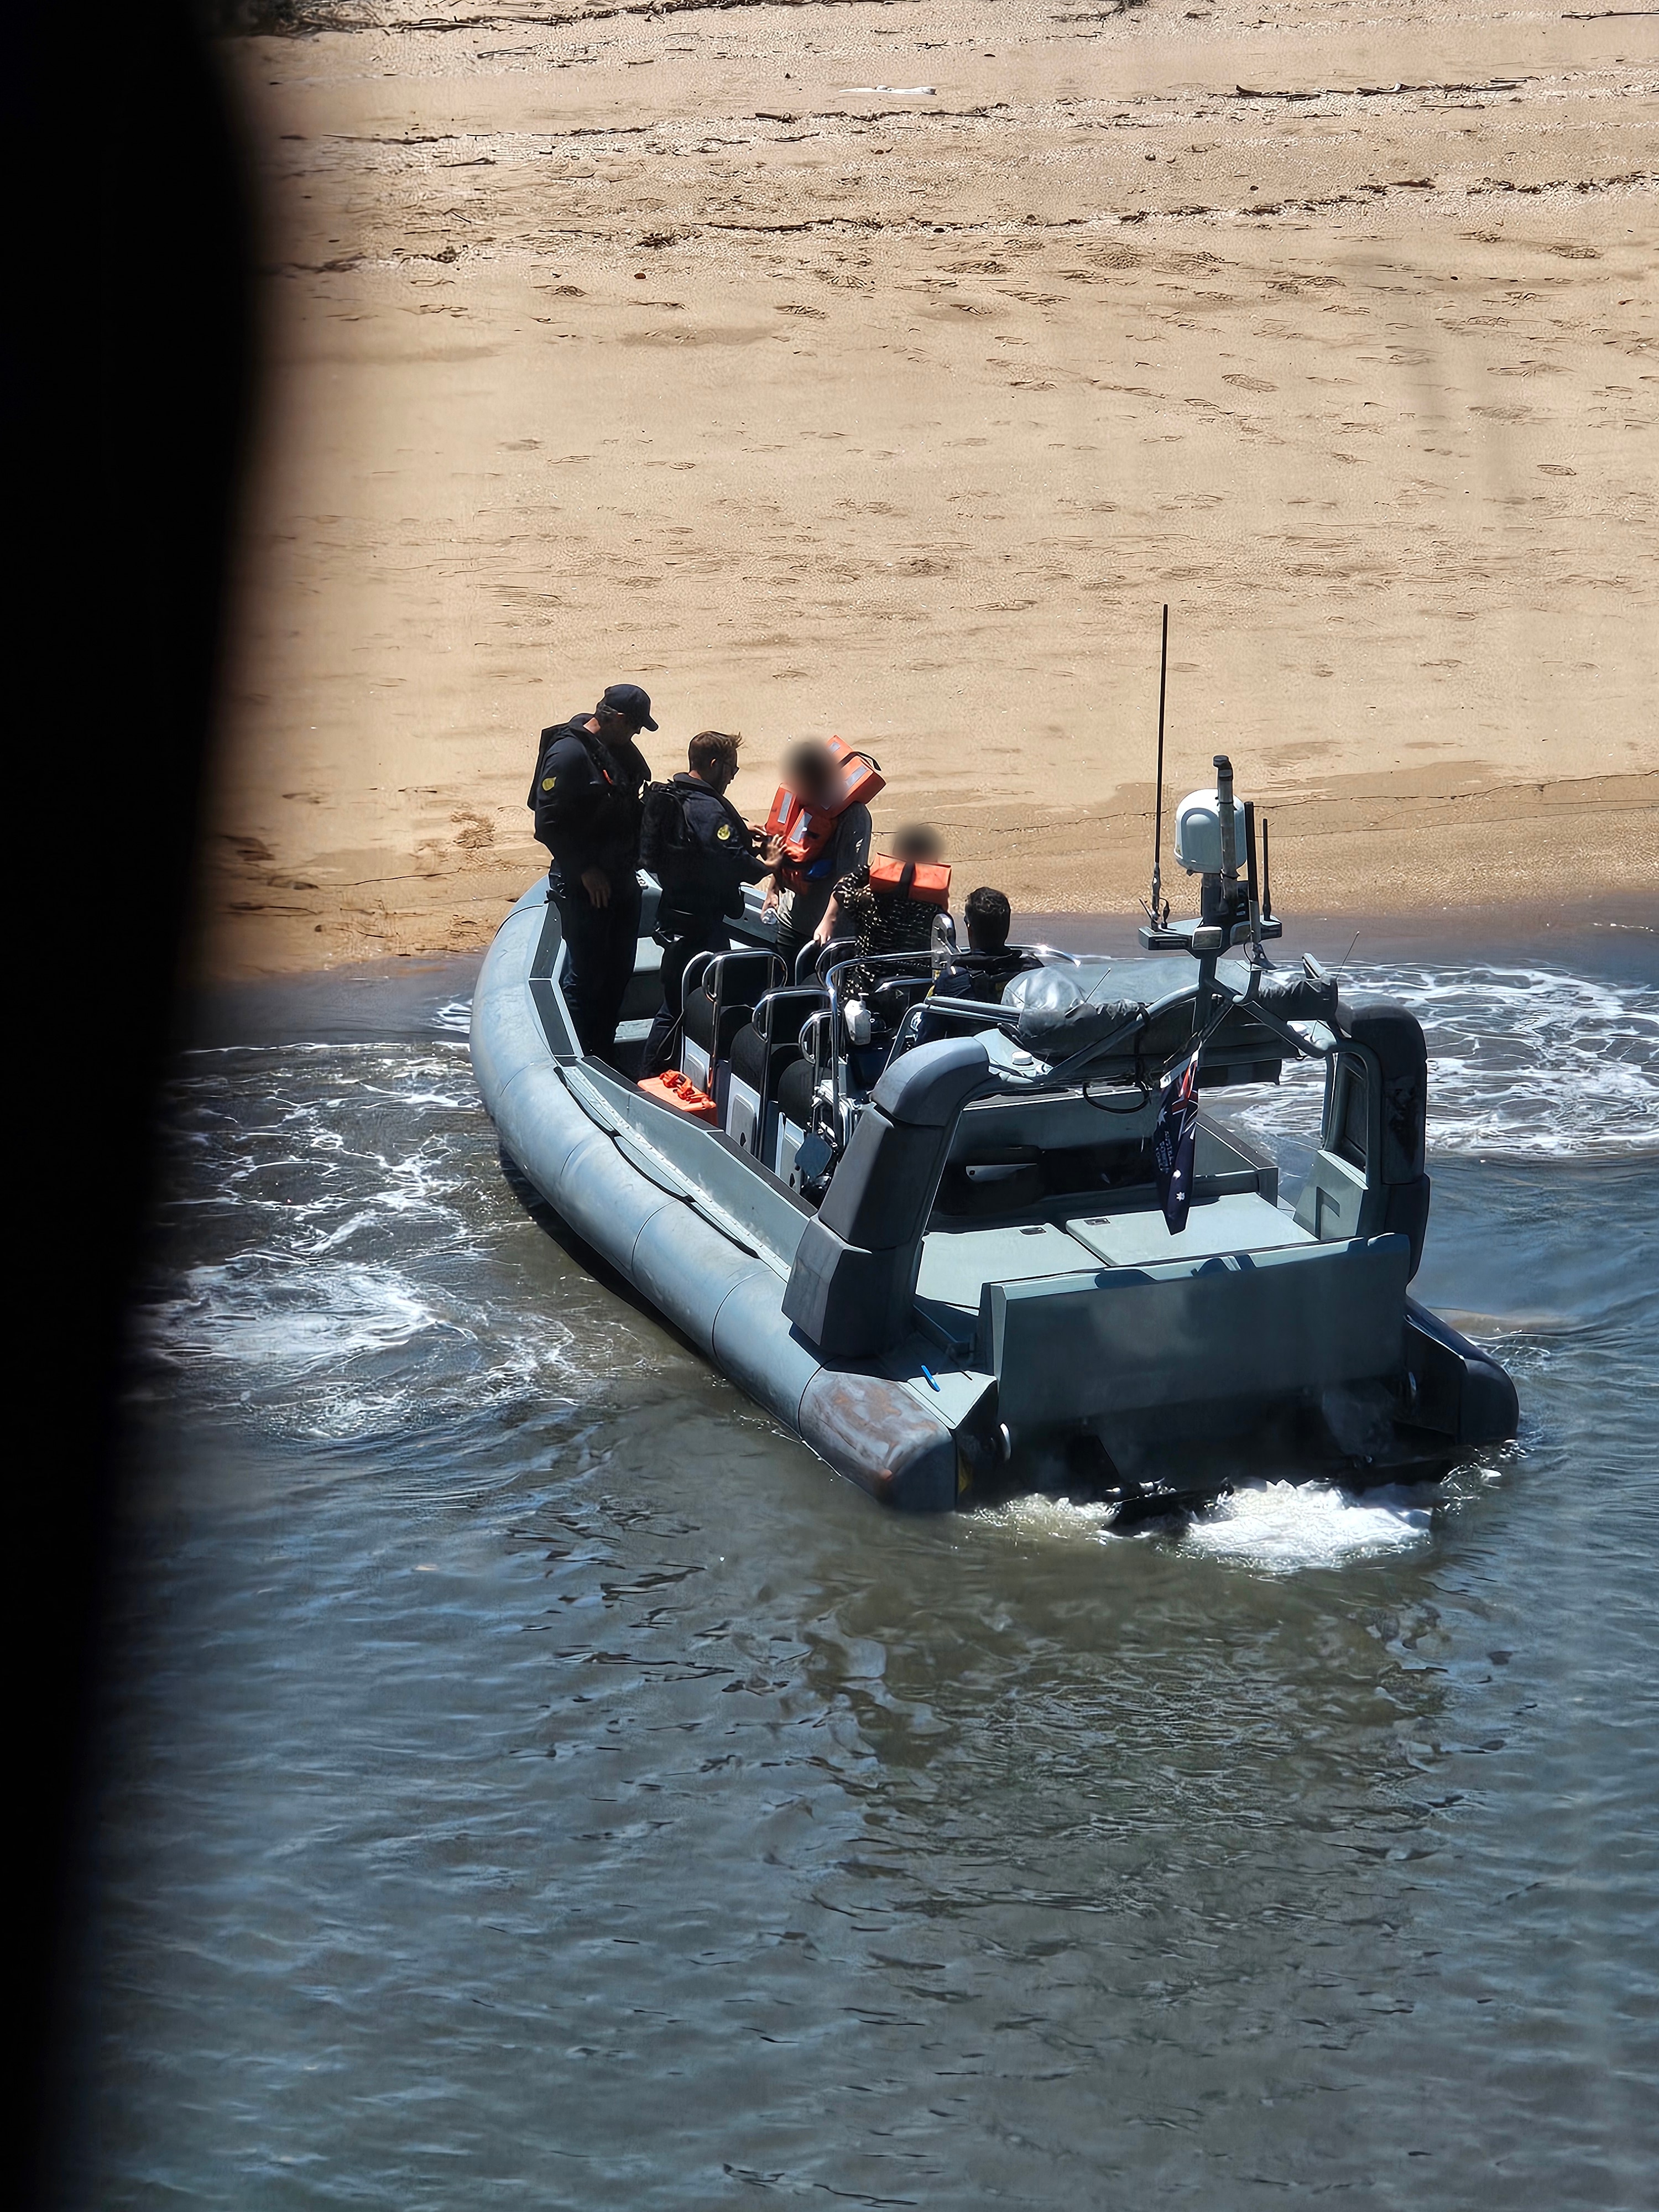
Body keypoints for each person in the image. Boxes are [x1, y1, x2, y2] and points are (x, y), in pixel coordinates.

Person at [529, 682, 656, 1061]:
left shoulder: (614, 751)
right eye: (634, 726)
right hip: (586, 885)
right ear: (616, 718)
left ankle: (601, 1051)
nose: (635, 734)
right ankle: (574, 1059)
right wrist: (584, 868)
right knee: (585, 978)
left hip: (620, 880)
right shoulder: (568, 754)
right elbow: (546, 823)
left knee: (618, 972)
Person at [639, 729, 770, 1077]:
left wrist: (741, 829)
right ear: (715, 765)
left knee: (683, 1002)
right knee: (681, 1007)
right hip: (699, 927)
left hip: (677, 917)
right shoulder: (707, 808)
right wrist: (768, 866)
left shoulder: (678, 794)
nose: (732, 778)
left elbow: (702, 842)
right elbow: (728, 858)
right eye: (732, 770)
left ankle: (666, 1073)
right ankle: (650, 1078)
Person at [761, 737, 875, 977]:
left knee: (819, 999)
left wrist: (830, 919)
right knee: (784, 987)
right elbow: (785, 850)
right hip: (790, 919)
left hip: (827, 932)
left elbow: (851, 875)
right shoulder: (798, 800)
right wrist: (773, 889)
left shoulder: (854, 816)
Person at [813, 822, 949, 1001]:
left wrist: (876, 871)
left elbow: (843, 888)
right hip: (917, 995)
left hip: (865, 992)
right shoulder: (934, 911)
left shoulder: (869, 900)